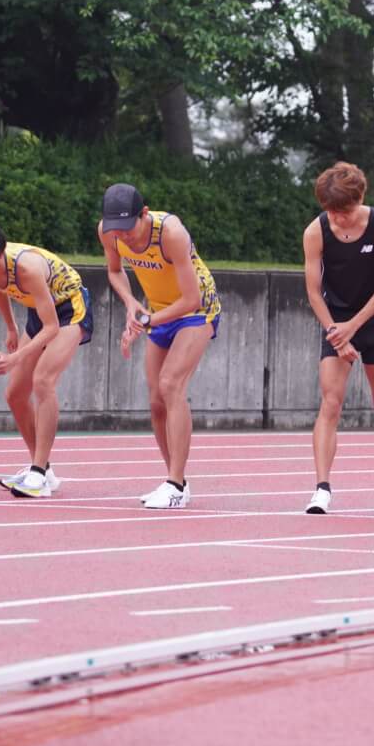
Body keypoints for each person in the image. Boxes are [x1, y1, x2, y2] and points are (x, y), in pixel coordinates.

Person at [99, 184, 221, 509]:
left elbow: (191, 298)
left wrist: (149, 321)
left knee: (171, 385)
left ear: (144, 213)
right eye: (116, 229)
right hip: (158, 311)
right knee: (155, 401)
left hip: (197, 310)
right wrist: (130, 304)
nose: (123, 236)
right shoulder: (109, 232)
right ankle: (174, 480)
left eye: (128, 228)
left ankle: (175, 485)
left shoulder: (171, 233)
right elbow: (114, 271)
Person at [0, 220, 93, 499]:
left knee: (43, 381)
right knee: (15, 394)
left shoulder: (27, 269)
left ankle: (38, 473)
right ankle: (42, 471)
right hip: (39, 309)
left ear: (0, 254)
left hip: (68, 309)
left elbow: (52, 327)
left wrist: (15, 357)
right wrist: (11, 327)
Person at [300, 162, 374, 514]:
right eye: (331, 211)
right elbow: (314, 292)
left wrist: (354, 328)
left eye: (343, 211)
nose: (338, 219)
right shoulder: (315, 231)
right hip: (335, 321)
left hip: (373, 320)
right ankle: (322, 489)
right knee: (330, 403)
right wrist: (337, 333)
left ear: (359, 199)